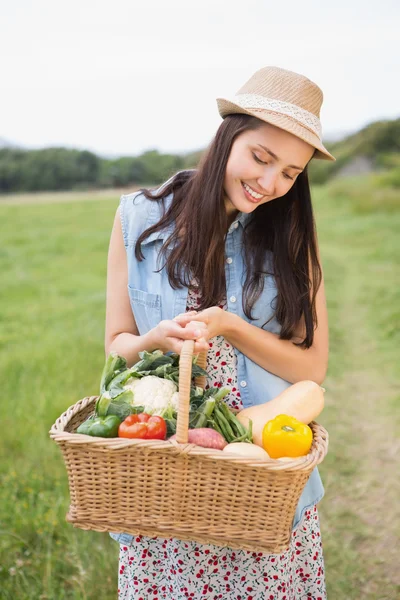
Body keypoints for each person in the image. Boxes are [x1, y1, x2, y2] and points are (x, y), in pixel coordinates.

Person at [105, 65, 335, 600]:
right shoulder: (139, 219)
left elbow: (312, 369)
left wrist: (232, 325)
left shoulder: (292, 238)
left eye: (290, 172)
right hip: (164, 476)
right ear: (229, 134)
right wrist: (152, 341)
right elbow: (118, 343)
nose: (271, 183)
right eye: (261, 157)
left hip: (262, 481)